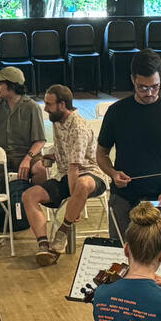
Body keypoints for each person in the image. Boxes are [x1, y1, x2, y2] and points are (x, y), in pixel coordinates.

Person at [97, 50, 161, 241]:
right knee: (121, 257)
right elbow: (101, 154)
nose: (149, 93)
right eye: (143, 87)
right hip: (124, 197)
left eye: (155, 87)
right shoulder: (116, 112)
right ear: (133, 79)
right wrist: (113, 173)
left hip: (160, 197)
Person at [21, 84, 107, 266]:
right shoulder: (57, 121)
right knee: (29, 196)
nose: (45, 108)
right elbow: (67, 162)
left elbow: (75, 167)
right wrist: (52, 156)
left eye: (49, 104)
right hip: (64, 174)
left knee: (82, 184)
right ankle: (43, 245)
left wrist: (72, 200)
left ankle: (62, 232)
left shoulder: (78, 128)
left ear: (62, 104)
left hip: (90, 174)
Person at [0, 66, 48, 196]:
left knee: (41, 170)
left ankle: (32, 205)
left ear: (12, 86)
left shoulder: (31, 107)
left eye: (0, 83)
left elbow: (40, 140)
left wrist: (28, 159)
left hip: (26, 154)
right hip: (1, 156)